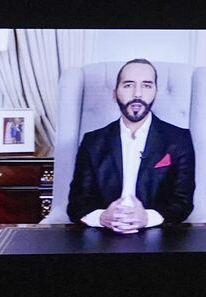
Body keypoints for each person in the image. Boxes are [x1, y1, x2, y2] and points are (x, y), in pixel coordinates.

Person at [66, 59, 196, 232]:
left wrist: (147, 218)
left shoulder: (179, 139)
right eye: (128, 85)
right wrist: (102, 218)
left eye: (147, 85)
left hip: (158, 233)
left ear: (156, 92)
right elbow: (76, 204)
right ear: (114, 93)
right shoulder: (92, 142)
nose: (137, 94)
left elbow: (183, 202)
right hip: (102, 235)